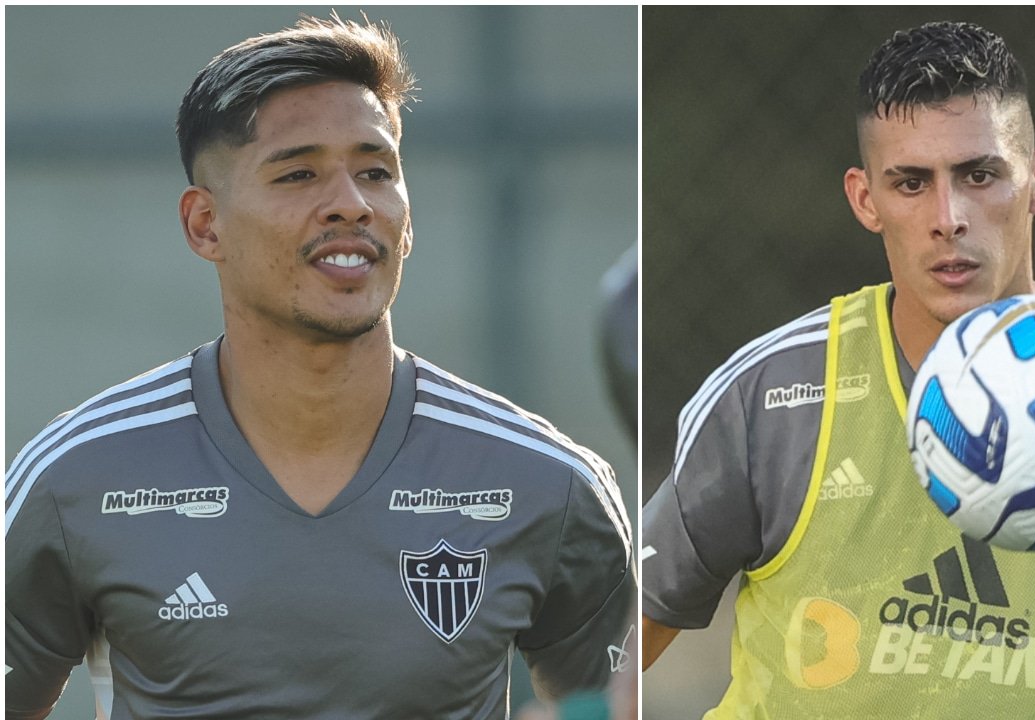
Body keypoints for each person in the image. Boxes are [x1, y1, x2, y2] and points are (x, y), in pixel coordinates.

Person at [6, 14, 634, 719]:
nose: (351, 204)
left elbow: (605, 703)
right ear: (204, 225)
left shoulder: (549, 482)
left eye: (376, 171)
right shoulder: (75, 478)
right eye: (300, 173)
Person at [641, 21, 1035, 719]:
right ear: (864, 200)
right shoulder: (772, 398)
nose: (949, 217)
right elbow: (612, 648)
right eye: (911, 183)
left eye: (980, 174)